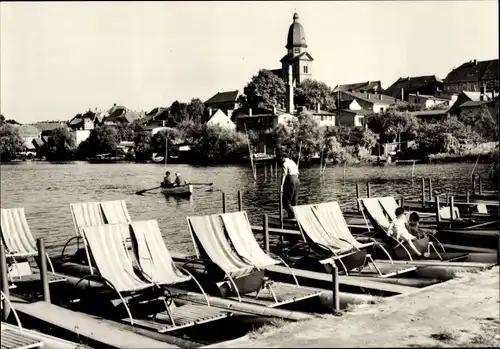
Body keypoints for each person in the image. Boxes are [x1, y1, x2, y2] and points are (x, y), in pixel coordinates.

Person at [280, 154, 300, 219]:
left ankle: (292, 216)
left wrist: (281, 186)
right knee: (294, 200)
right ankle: (295, 216)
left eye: (281, 158)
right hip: (297, 180)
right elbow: (297, 173)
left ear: (284, 158)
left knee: (286, 201)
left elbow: (284, 175)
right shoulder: (293, 162)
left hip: (290, 179)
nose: (281, 160)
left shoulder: (285, 163)